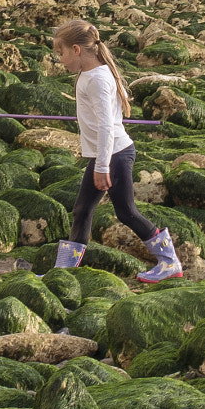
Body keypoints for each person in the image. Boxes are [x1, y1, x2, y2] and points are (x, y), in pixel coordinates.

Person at [51, 18, 182, 282]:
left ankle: (170, 262)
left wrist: (101, 166)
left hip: (115, 155)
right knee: (82, 210)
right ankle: (64, 273)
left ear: (76, 49)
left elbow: (107, 128)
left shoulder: (98, 79)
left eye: (61, 52)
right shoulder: (90, 74)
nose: (60, 59)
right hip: (107, 154)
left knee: (126, 212)